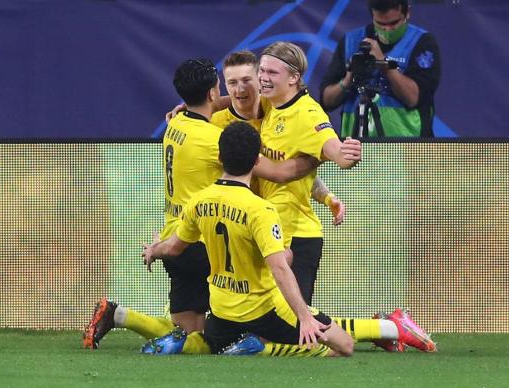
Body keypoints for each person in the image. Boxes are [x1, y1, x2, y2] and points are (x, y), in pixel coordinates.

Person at [84, 58, 327, 350]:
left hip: (174, 237)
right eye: (227, 84)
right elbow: (280, 172)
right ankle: (382, 329)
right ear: (214, 92)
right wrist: (318, 153)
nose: (235, 90)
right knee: (260, 322)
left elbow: (213, 104)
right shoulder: (215, 138)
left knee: (187, 333)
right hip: (205, 238)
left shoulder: (176, 123)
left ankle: (119, 314)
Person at [141, 122, 436, 356]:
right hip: (263, 309)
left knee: (209, 342)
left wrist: (155, 249)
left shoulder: (198, 201)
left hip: (221, 310)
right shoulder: (260, 209)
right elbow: (281, 267)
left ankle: (185, 345)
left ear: (219, 159)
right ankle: (267, 350)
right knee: (341, 347)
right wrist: (304, 316)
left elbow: (175, 246)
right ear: (258, 161)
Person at [255, 41, 361, 305]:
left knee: (296, 324)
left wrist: (344, 155)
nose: (264, 78)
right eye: (262, 70)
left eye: (272, 73)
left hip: (297, 236)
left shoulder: (307, 113)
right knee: (274, 322)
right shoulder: (271, 103)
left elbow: (333, 149)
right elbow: (302, 169)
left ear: (294, 78)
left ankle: (385, 327)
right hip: (271, 229)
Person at [212, 50, 346, 227]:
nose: (240, 89)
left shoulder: (274, 109)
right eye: (232, 82)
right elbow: (281, 172)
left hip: (277, 226)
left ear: (258, 80)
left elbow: (291, 159)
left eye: (246, 80)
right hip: (235, 226)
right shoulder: (216, 126)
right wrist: (193, 108)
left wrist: (327, 197)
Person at [320, 0, 441, 137]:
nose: (387, 29)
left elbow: (412, 98)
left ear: (407, 12)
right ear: (373, 16)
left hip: (406, 149)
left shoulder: (422, 42)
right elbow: (326, 101)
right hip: (354, 148)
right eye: (381, 24)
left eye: (394, 23)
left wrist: (383, 63)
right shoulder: (351, 41)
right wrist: (348, 79)